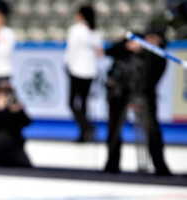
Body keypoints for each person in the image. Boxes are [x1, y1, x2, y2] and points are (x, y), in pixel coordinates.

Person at [104, 25, 171, 175]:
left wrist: (137, 98)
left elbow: (151, 81)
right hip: (119, 92)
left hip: (144, 96)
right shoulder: (135, 41)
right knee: (114, 129)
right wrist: (128, 47)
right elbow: (110, 51)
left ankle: (160, 166)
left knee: (152, 130)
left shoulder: (159, 57)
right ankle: (111, 164)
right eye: (150, 37)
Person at [65, 5, 103, 143]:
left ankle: (87, 127)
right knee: (84, 103)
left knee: (71, 102)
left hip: (76, 70)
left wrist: (68, 64)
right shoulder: (95, 32)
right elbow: (100, 53)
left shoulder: (76, 30)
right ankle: (84, 133)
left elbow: (71, 50)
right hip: (90, 71)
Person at [0, 81, 32, 167]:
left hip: (14, 150)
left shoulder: (14, 110)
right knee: (3, 139)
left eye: (7, 95)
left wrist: (18, 111)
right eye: (2, 95)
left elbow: (27, 122)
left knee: (26, 167)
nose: (4, 99)